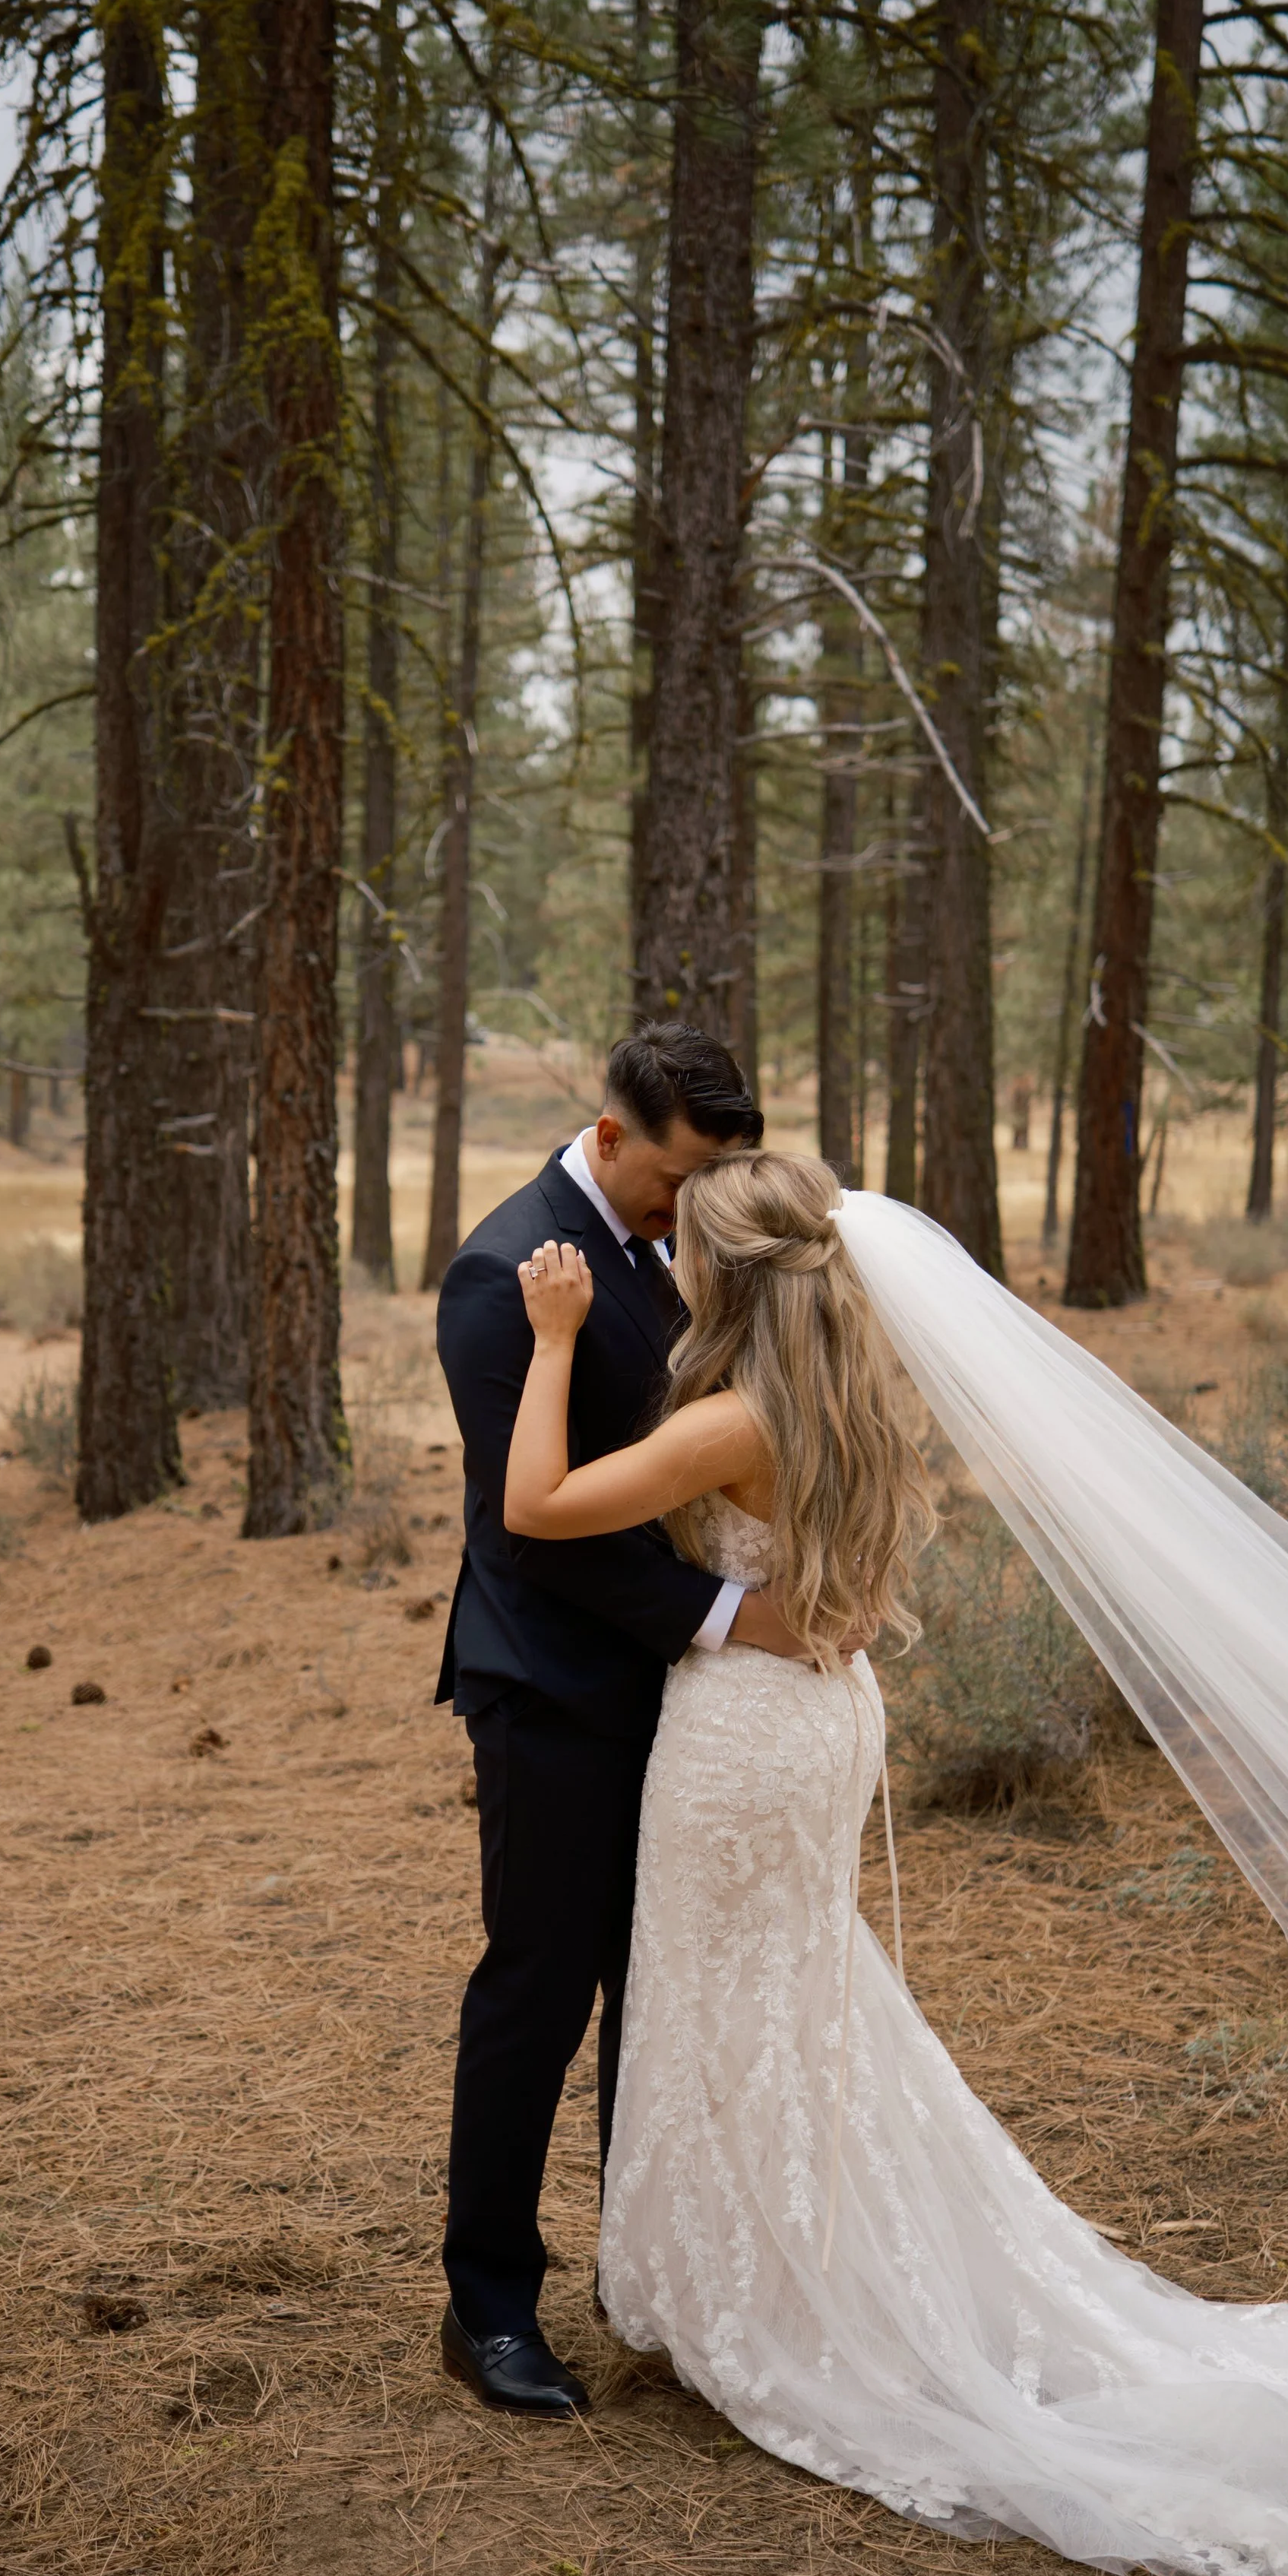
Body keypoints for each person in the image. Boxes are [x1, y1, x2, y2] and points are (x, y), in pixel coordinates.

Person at [501, 1149, 1288, 2576]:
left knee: (732, 1993)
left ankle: (777, 2295)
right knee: (791, 1992)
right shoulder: (849, 1397)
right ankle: (777, 2266)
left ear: (725, 1277)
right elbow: (845, 1587)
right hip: (823, 1716)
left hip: (745, 1740)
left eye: (686, 1249)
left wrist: (554, 1338)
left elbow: (537, 1504)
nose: (669, 1268)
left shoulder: (731, 1418)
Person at [434, 1024, 836, 2419]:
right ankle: (489, 2304)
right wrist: (729, 1617)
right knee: (540, 1990)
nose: (692, 1211)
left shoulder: (698, 1241)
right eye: (675, 1180)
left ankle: (648, 2276)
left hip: (691, 1703)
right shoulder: (504, 1273)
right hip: (554, 1691)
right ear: (610, 1139)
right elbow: (530, 1532)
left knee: (659, 1993)